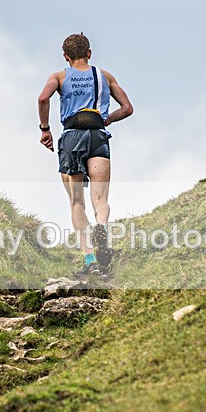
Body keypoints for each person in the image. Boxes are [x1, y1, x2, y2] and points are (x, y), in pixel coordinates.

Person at [37, 33, 133, 275]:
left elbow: (43, 98)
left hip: (71, 137)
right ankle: (101, 225)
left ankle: (90, 261)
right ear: (89, 53)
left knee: (76, 201)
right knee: (100, 200)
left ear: (66, 56)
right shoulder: (104, 76)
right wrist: (107, 118)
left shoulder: (58, 77)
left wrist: (45, 129)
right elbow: (127, 108)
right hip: (98, 136)